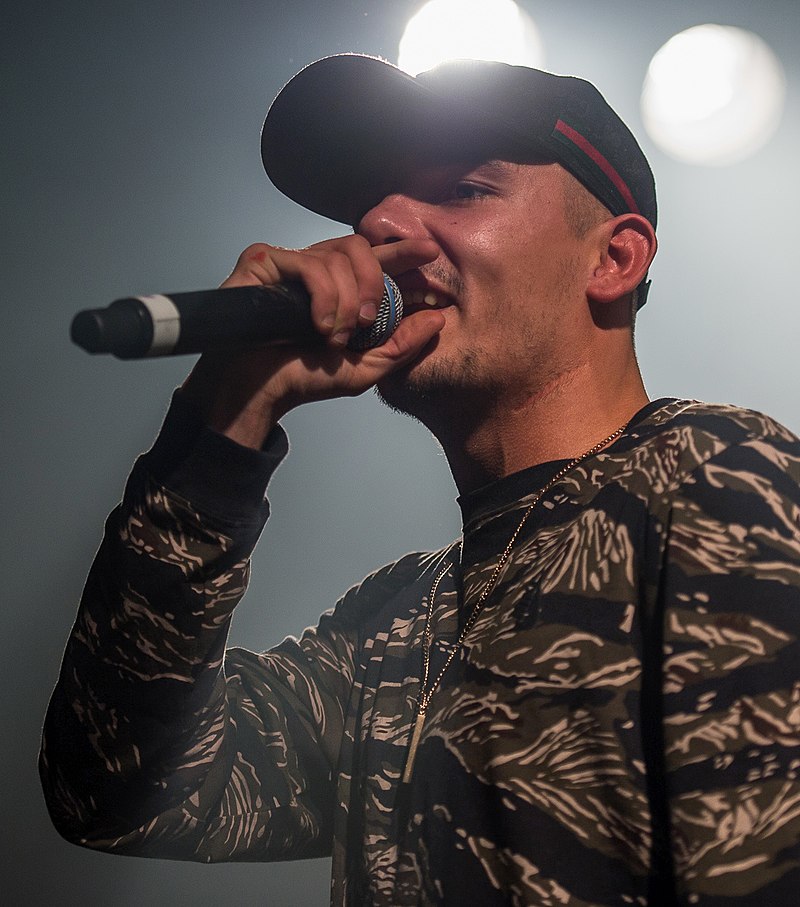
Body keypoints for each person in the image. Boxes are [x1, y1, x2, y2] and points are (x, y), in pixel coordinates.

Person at [40, 54, 800, 906]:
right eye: (375, 202)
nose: (379, 222)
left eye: (467, 188)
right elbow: (113, 789)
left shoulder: (716, 477)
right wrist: (226, 418)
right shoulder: (394, 623)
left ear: (614, 257)